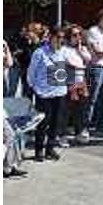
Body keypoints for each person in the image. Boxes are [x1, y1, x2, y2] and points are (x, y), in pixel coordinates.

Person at [27, 27, 69, 162]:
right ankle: (39, 150)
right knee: (43, 123)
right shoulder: (39, 52)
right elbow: (31, 73)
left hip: (59, 92)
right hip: (44, 94)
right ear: (50, 37)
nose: (60, 40)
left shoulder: (63, 51)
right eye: (58, 37)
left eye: (62, 38)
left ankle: (50, 149)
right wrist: (35, 89)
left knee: (55, 123)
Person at [84, 8, 103, 139]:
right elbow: (94, 50)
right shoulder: (92, 31)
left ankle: (100, 123)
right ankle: (86, 124)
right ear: (100, 18)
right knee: (93, 96)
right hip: (97, 66)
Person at [58, 25, 91, 147]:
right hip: (69, 82)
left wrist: (81, 51)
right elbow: (68, 63)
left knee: (80, 109)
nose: (77, 37)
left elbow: (88, 61)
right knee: (66, 110)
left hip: (81, 81)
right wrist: (78, 65)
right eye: (74, 35)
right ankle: (62, 135)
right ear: (69, 37)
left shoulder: (82, 49)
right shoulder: (63, 49)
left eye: (79, 35)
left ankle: (79, 132)